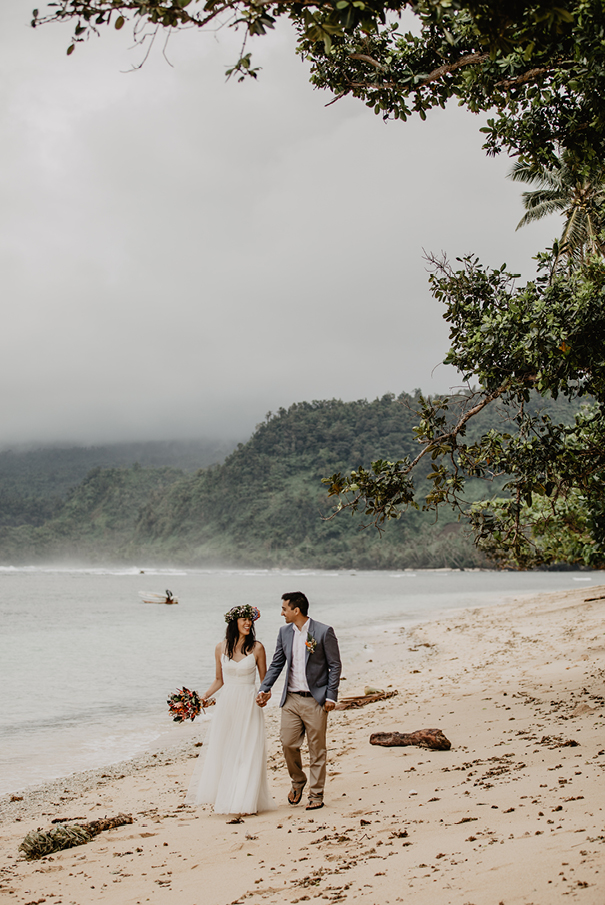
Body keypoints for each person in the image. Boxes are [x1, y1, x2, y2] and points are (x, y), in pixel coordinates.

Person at [256, 592, 341, 811]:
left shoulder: (323, 631)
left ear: (296, 610)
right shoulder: (284, 632)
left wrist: (331, 696)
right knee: (287, 743)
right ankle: (298, 780)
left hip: (316, 700)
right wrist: (265, 687)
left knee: (317, 749)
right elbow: (277, 663)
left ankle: (316, 794)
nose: (282, 613)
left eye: (284, 609)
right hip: (291, 699)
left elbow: (335, 665)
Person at [185, 604, 274, 815]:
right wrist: (201, 698)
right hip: (227, 704)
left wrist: (265, 695)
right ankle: (227, 797)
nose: (248, 623)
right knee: (226, 750)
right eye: (244, 619)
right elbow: (219, 680)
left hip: (249, 703)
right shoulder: (220, 648)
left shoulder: (257, 648)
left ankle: (245, 801)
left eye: (250, 620)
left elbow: (266, 682)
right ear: (234, 622)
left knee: (247, 750)